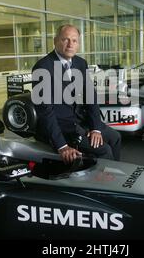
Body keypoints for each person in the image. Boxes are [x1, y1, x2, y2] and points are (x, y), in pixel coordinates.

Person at [31, 24, 121, 164]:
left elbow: (91, 96)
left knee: (115, 137)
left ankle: (117, 177)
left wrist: (95, 128)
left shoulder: (80, 63)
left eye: (74, 40)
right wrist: (62, 146)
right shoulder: (43, 67)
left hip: (79, 121)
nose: (70, 44)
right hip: (61, 127)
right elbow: (45, 112)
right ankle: (104, 183)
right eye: (65, 39)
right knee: (104, 150)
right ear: (55, 41)